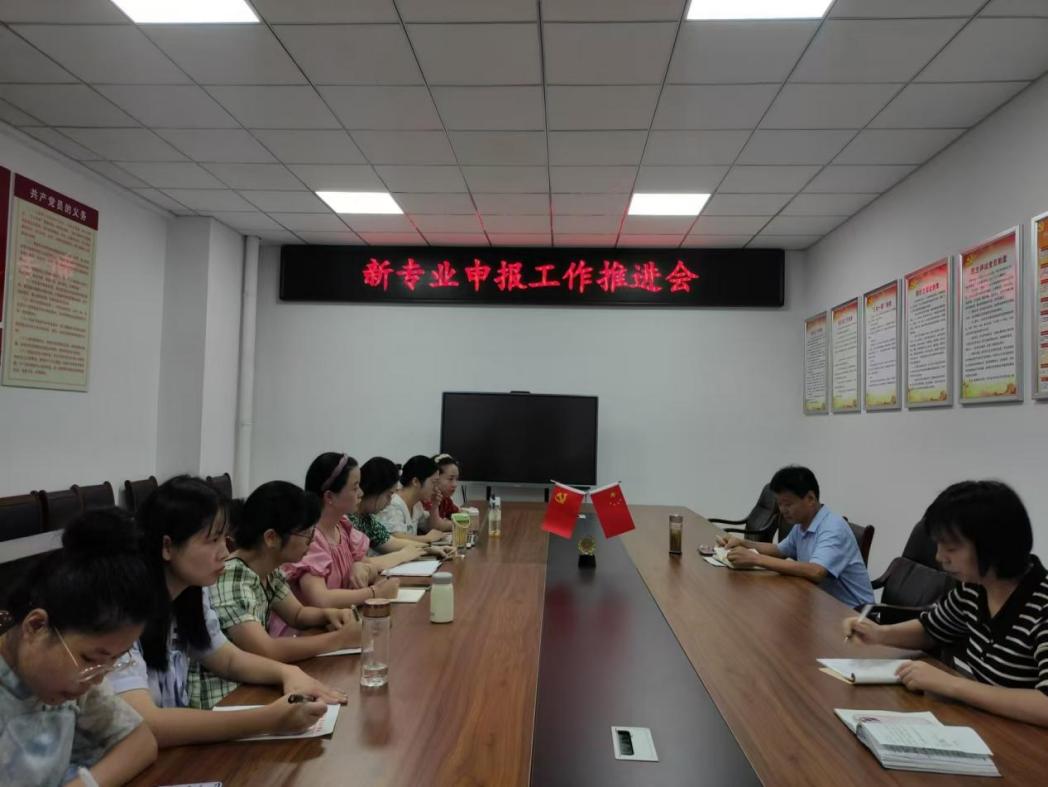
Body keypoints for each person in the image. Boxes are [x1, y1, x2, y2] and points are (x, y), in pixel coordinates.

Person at [110, 476, 346, 747]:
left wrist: (287, 673)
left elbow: (227, 659)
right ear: (167, 546)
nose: (224, 552)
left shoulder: (191, 593)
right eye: (212, 540)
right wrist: (269, 719)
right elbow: (146, 724)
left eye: (224, 538)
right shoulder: (120, 612)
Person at [844, 481, 1048, 727]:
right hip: (988, 725)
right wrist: (878, 633)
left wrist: (951, 684)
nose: (940, 557)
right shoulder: (974, 587)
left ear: (993, 547)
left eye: (951, 548)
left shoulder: (1042, 604)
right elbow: (932, 629)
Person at [0, 509, 158, 787]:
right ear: (36, 626)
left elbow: (141, 741)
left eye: (114, 660)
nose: (96, 678)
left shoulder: (72, 681)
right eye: (90, 658)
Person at [188, 481, 362, 708]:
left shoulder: (268, 569)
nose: (311, 541)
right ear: (271, 538)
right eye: (305, 533)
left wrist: (327, 614)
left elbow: (297, 614)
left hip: (251, 684)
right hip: (225, 697)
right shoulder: (232, 578)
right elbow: (266, 650)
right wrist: (339, 640)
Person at [271, 454, 401, 637]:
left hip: (336, 624)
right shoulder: (310, 538)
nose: (361, 493)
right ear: (330, 497)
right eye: (355, 488)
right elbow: (321, 599)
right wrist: (374, 593)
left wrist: (360, 566)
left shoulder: (343, 527)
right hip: (306, 633)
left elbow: (370, 567)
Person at [716, 466, 874, 609]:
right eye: (779, 504)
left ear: (810, 499)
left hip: (853, 615)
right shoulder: (802, 524)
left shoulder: (833, 527)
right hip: (819, 603)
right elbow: (779, 550)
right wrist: (742, 543)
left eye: (788, 504)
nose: (782, 510)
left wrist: (755, 558)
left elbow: (816, 571)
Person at [352, 457, 454, 558]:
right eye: (389, 495)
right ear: (375, 489)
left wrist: (429, 549)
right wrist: (424, 543)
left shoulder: (367, 519)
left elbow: (391, 542)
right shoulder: (349, 520)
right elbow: (363, 564)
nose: (389, 502)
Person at [376, 455, 448, 537]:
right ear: (415, 481)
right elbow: (397, 538)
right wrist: (427, 538)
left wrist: (434, 506)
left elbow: (431, 528)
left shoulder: (416, 505)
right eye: (434, 482)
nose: (436, 488)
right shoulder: (394, 504)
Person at [421, 453, 461, 531]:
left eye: (457, 479)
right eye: (450, 479)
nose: (455, 484)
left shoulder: (446, 500)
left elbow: (459, 513)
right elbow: (436, 526)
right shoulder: (425, 500)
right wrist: (452, 524)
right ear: (435, 477)